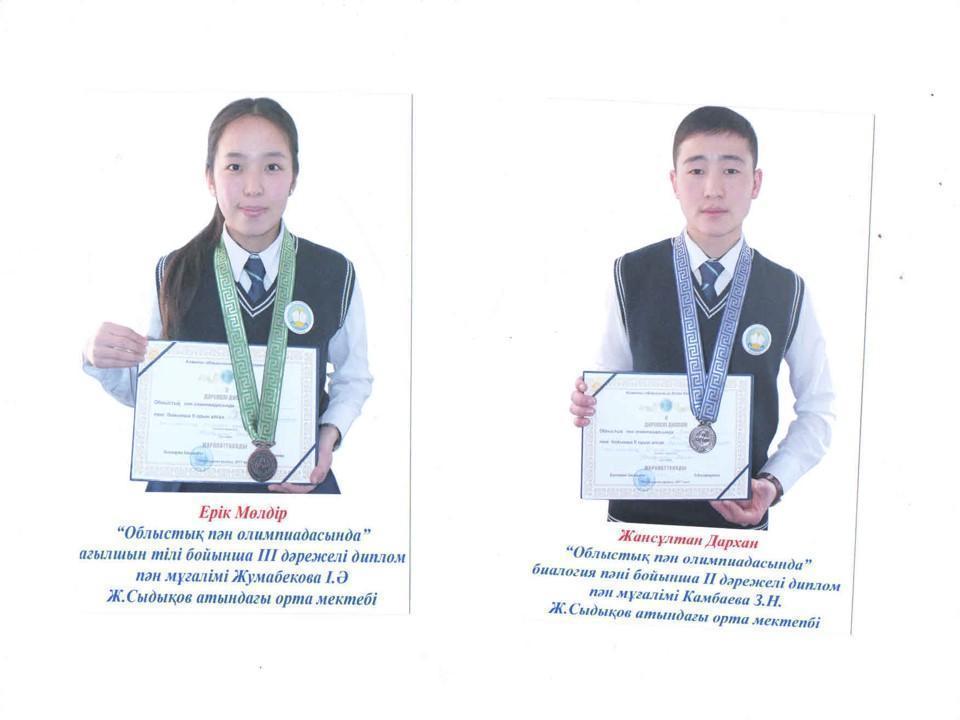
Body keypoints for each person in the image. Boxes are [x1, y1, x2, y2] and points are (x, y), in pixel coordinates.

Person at [83, 97, 372, 494]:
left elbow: (353, 378)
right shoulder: (173, 272)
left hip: (295, 490)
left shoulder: (334, 273)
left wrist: (329, 435)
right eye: (235, 167)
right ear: (209, 177)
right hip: (190, 503)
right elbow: (151, 395)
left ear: (294, 177)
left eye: (272, 167)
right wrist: (100, 357)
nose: (253, 187)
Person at [570, 106, 833, 529]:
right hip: (636, 528)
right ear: (674, 182)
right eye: (696, 171)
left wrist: (773, 482)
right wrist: (589, 403)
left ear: (755, 183)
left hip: (737, 525)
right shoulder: (630, 274)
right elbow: (608, 384)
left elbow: (818, 408)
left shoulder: (787, 290)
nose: (713, 189)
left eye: (730, 170)